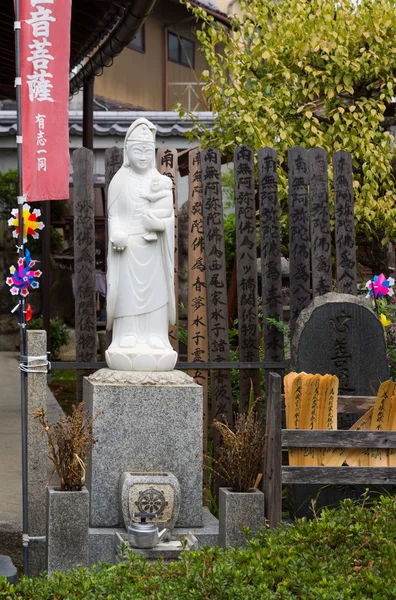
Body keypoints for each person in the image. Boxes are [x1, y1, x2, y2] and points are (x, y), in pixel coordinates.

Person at [105, 118, 177, 371]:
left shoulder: (160, 181)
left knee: (155, 291)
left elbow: (169, 215)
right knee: (127, 292)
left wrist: (160, 226)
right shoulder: (119, 181)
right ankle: (127, 336)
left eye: (148, 151)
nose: (144, 156)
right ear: (127, 152)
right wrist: (117, 233)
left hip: (154, 247)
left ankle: (156, 335)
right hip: (128, 247)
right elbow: (113, 216)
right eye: (138, 150)